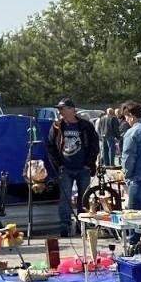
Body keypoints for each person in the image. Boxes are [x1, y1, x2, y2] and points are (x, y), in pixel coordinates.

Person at [44, 98, 99, 238]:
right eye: (59, 109)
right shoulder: (57, 126)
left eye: (63, 108)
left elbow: (94, 145)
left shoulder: (86, 126)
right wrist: (59, 165)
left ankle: (84, 224)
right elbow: (50, 146)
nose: (60, 112)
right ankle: (64, 224)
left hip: (83, 168)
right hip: (65, 169)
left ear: (71, 109)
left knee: (84, 198)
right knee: (65, 198)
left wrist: (89, 163)